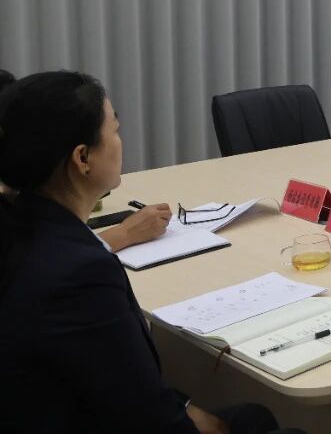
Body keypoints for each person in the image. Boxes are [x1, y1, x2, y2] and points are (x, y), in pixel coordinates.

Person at [0, 71, 292, 434]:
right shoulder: (80, 274)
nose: (120, 141)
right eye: (115, 129)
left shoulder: (19, 225)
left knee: (253, 417)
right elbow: (147, 418)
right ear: (83, 158)